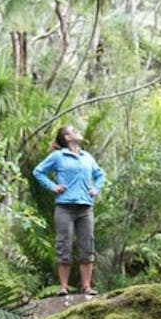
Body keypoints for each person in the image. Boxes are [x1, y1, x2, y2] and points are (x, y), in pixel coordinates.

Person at [33, 125, 105, 296]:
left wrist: (97, 188)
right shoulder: (58, 156)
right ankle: (64, 287)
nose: (78, 131)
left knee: (87, 245)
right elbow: (38, 171)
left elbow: (100, 174)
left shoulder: (87, 157)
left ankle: (86, 286)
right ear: (66, 137)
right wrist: (52, 186)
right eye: (74, 130)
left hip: (85, 208)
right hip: (65, 207)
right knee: (63, 244)